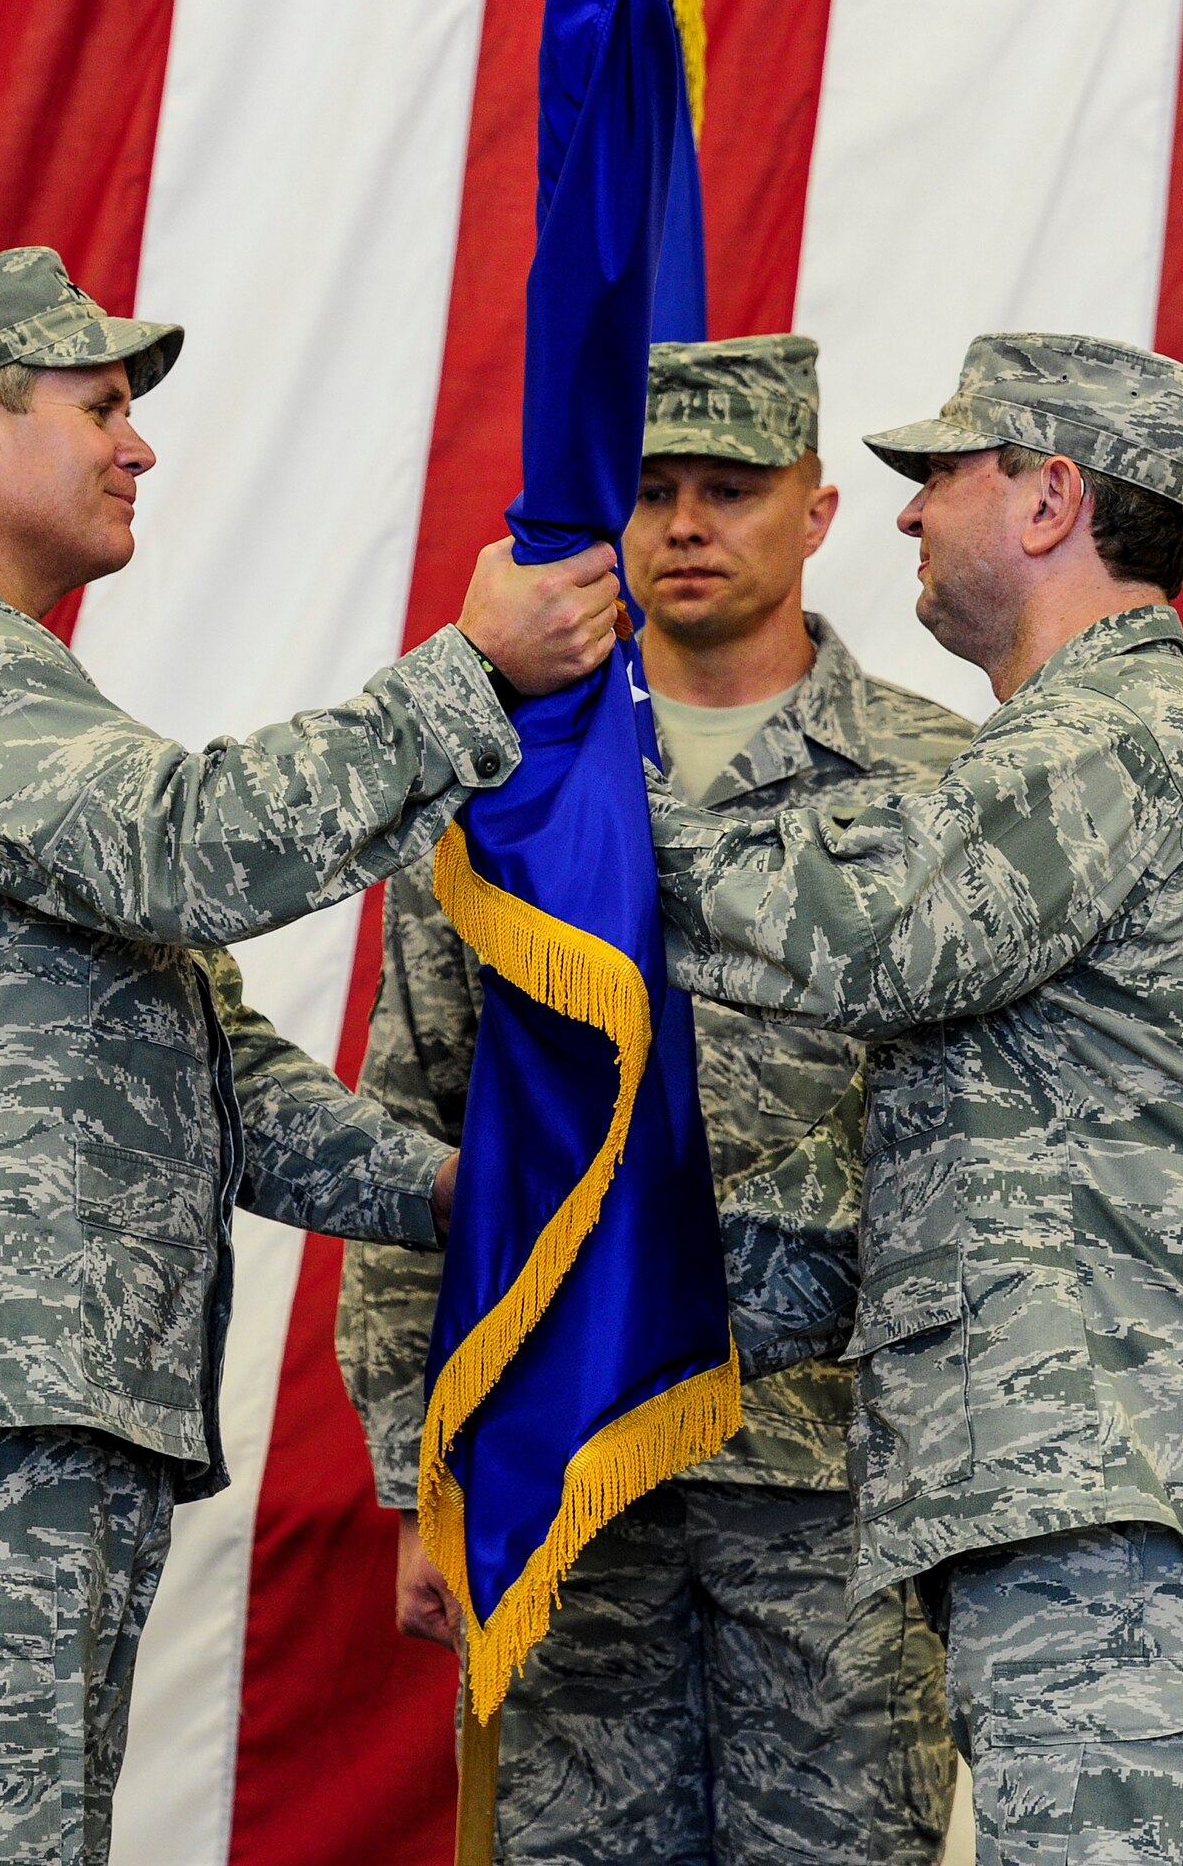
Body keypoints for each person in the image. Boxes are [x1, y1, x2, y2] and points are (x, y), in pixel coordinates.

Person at [0, 246, 621, 1866]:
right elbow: (188, 846)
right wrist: (469, 677)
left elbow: (212, 1067)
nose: (139, 443)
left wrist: (470, 1185)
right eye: (101, 405)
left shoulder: (9, 689)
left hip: (20, 1420)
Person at [649, 333, 1183, 1865]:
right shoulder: (1080, 749)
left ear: (1051, 500)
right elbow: (913, 1181)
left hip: (1134, 1490)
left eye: (941, 475)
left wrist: (580, 834)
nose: (910, 516)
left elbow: (877, 931)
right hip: (1101, 1487)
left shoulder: (1115, 736)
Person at [336, 335, 969, 1865]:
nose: (686, 526)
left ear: (816, 509)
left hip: (844, 1478)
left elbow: (990, 1149)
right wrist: (414, 1462)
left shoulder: (943, 784)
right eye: (653, 490)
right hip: (574, 1461)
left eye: (733, 489)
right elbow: (422, 1118)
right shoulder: (512, 793)